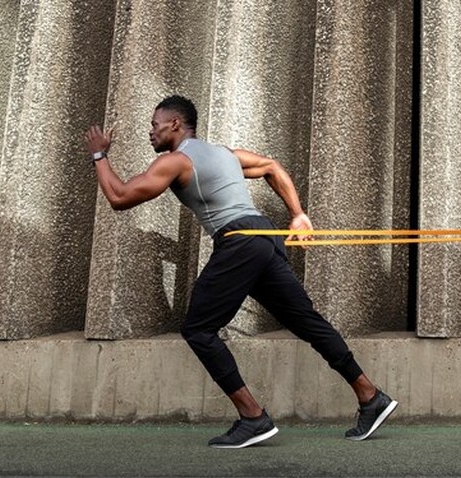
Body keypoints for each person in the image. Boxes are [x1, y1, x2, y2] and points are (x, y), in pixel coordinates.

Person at [84, 95, 398, 448]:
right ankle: (370, 396)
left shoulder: (175, 161)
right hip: (263, 238)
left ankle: (253, 417)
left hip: (239, 242)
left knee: (198, 329)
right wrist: (297, 213)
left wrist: (99, 155)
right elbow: (271, 167)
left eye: (155, 124)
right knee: (306, 322)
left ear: (175, 124)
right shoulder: (225, 154)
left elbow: (120, 197)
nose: (150, 131)